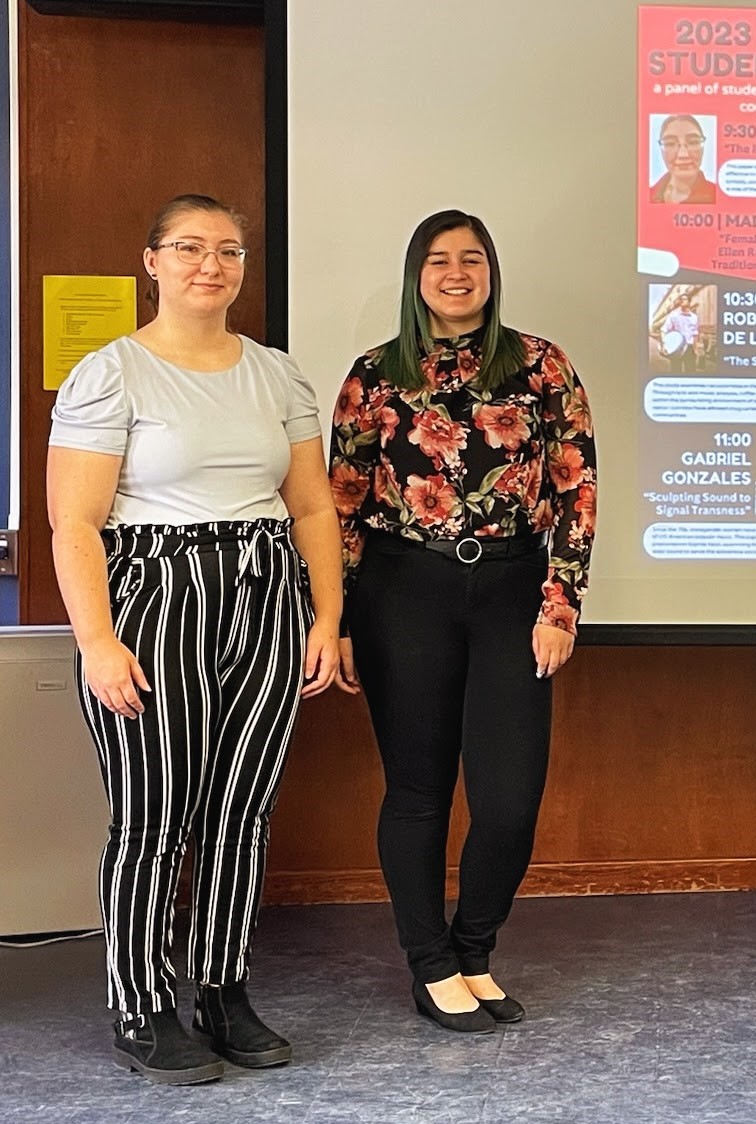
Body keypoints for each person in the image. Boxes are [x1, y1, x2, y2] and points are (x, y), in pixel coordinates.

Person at [46, 194, 342, 1084]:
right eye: (188, 248)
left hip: (261, 596)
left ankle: (221, 989)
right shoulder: (113, 374)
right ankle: (140, 1003)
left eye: (228, 251)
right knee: (153, 816)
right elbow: (74, 525)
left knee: (239, 814)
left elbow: (313, 505)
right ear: (152, 261)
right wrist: (96, 641)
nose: (209, 264)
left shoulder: (277, 375)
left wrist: (324, 617)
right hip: (151, 603)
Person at [330, 209, 597, 1034]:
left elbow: (576, 487)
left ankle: (475, 949)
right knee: (417, 789)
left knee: (509, 800)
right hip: (401, 594)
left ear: (490, 270)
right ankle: (430, 962)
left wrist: (561, 604)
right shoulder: (375, 375)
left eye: (471, 259)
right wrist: (334, 619)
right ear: (416, 275)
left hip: (513, 592)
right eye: (438, 260)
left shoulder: (542, 365)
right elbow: (337, 505)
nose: (456, 273)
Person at [650, 114, 717, 204]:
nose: (683, 154)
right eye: (670, 143)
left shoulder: (717, 196)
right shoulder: (646, 197)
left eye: (693, 142)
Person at [660, 292, 701, 373]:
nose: (681, 301)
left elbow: (695, 334)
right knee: (675, 371)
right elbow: (663, 330)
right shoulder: (673, 315)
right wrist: (664, 345)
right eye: (680, 299)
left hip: (689, 348)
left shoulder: (694, 317)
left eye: (684, 299)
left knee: (691, 372)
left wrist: (695, 349)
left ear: (689, 302)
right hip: (676, 348)